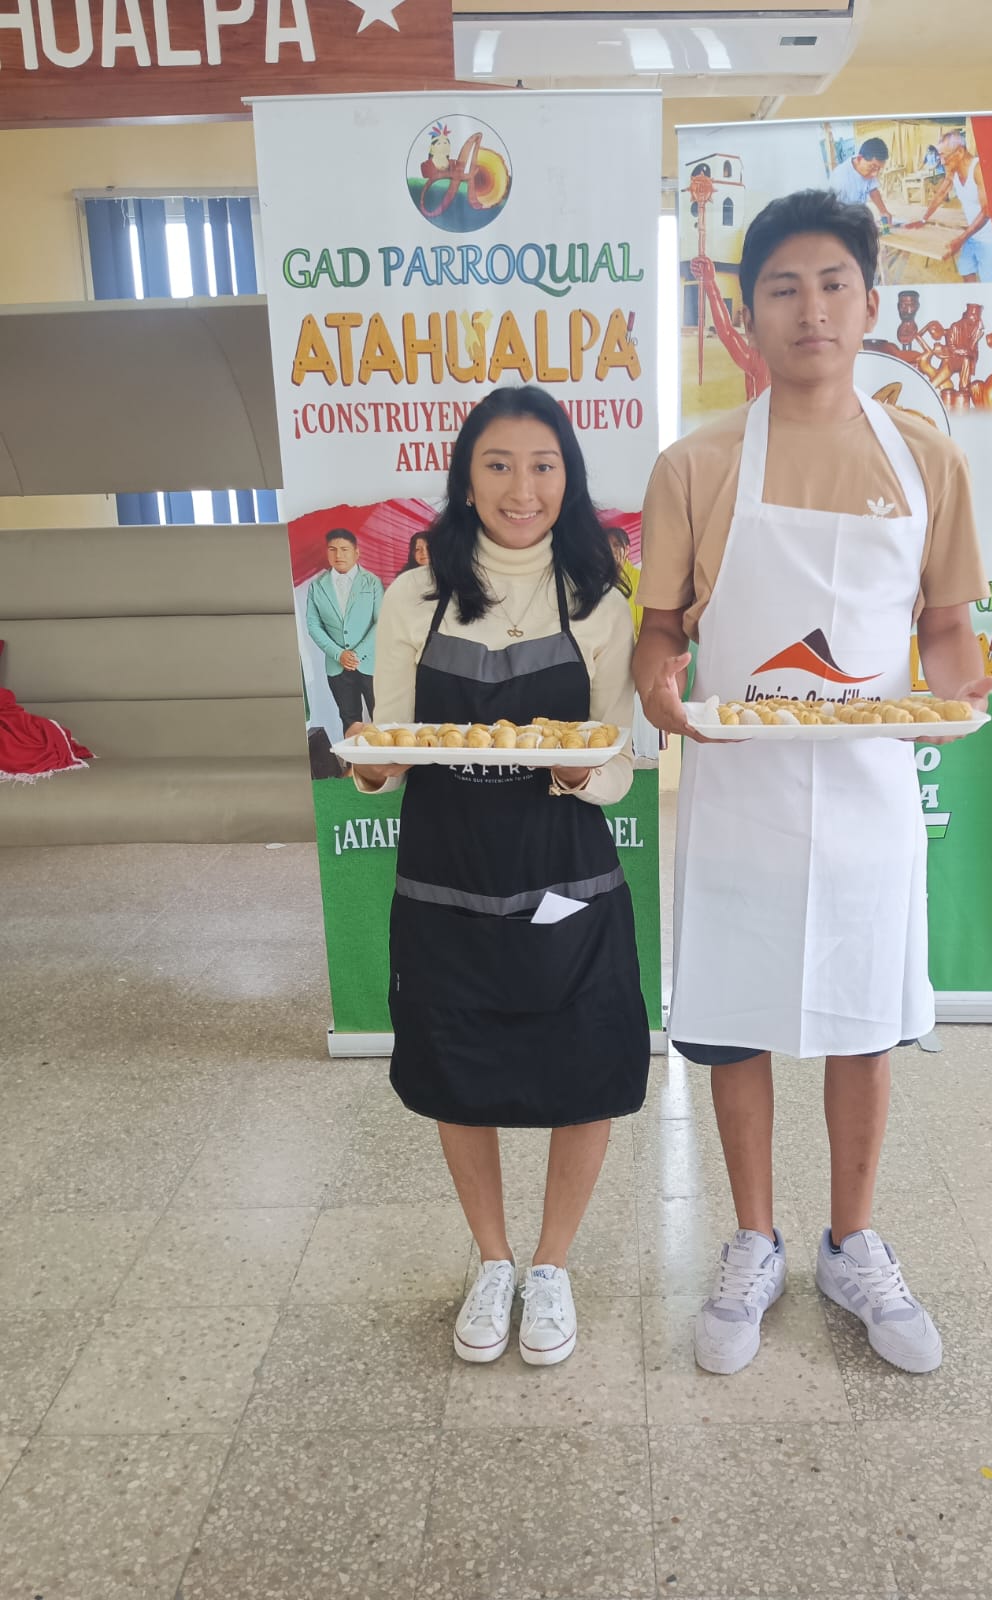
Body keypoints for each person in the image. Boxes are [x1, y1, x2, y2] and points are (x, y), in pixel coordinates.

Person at [634, 189, 992, 1379]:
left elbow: (945, 625)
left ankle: (852, 1240)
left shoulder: (927, 459)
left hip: (870, 795)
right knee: (737, 1017)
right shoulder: (696, 464)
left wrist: (962, 681)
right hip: (740, 792)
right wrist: (661, 690)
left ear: (870, 302)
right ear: (746, 315)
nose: (811, 309)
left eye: (834, 283)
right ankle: (753, 1239)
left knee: (861, 1015)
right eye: (782, 288)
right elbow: (662, 630)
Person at [350, 384, 650, 1369]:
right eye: (499, 465)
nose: (524, 488)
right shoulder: (415, 596)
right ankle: (492, 1259)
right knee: (457, 1064)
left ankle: (551, 1265)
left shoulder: (600, 602)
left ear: (570, 477)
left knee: (586, 1061)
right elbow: (394, 741)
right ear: (467, 479)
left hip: (566, 869)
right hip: (446, 870)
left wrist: (578, 768)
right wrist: (371, 764)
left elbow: (618, 763)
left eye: (543, 465)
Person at [305, 529, 385, 732]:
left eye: (344, 549)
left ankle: (384, 754)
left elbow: (381, 622)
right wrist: (338, 654)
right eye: (332, 549)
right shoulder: (317, 586)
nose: (338, 555)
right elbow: (313, 625)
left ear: (356, 552)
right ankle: (353, 755)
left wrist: (357, 654)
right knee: (349, 721)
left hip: (371, 663)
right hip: (337, 666)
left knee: (382, 718)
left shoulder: (372, 582)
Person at [911, 127, 992, 283]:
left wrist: (961, 239)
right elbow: (941, 194)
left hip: (990, 239)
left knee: (990, 284)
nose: (942, 161)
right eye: (940, 156)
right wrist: (923, 219)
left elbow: (987, 211)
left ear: (959, 152)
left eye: (944, 156)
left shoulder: (979, 170)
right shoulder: (953, 169)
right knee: (966, 270)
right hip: (971, 234)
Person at [828, 137, 893, 229]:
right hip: (843, 222)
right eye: (873, 167)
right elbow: (834, 212)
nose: (875, 174)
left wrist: (883, 211)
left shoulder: (868, 169)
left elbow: (873, 190)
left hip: (858, 216)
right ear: (859, 159)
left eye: (879, 169)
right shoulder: (840, 179)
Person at [607, 525, 643, 640]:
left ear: (627, 550)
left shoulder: (641, 578)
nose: (611, 550)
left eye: (616, 545)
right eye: (607, 546)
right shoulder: (598, 583)